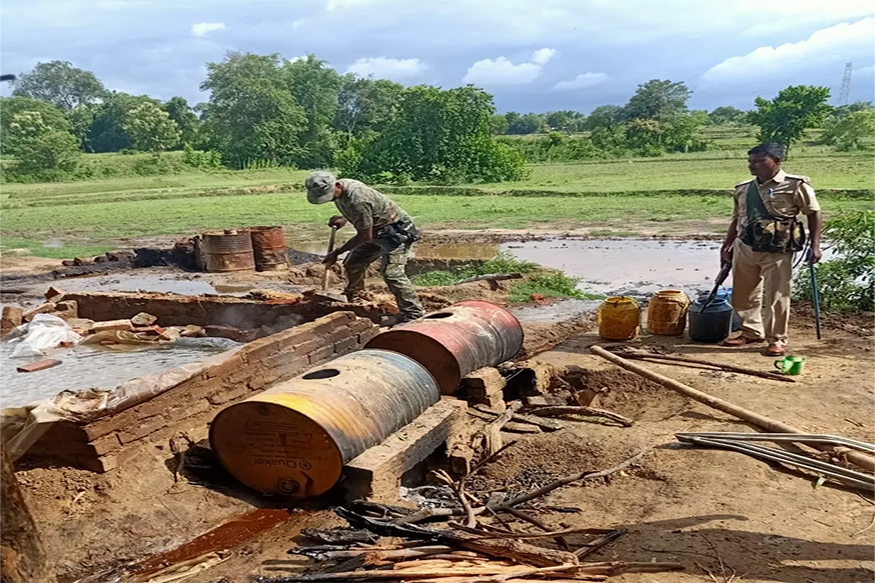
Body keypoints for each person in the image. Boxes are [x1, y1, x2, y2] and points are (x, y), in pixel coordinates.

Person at [719, 143, 822, 356]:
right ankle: (750, 331)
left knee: (777, 295)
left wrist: (815, 245)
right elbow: (737, 219)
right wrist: (727, 244)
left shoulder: (795, 185)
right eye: (750, 161)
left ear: (776, 161)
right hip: (745, 246)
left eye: (759, 161)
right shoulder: (743, 188)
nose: (752, 166)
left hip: (777, 249)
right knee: (744, 293)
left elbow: (813, 213)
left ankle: (777, 339)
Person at [305, 171, 425, 323]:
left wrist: (337, 252)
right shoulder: (345, 186)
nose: (330, 198)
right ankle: (356, 297)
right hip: (376, 231)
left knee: (392, 274)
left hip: (396, 233)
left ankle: (413, 314)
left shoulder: (358, 200)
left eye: (329, 194)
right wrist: (344, 218)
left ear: (337, 185)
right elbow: (366, 212)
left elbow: (364, 236)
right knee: (353, 263)